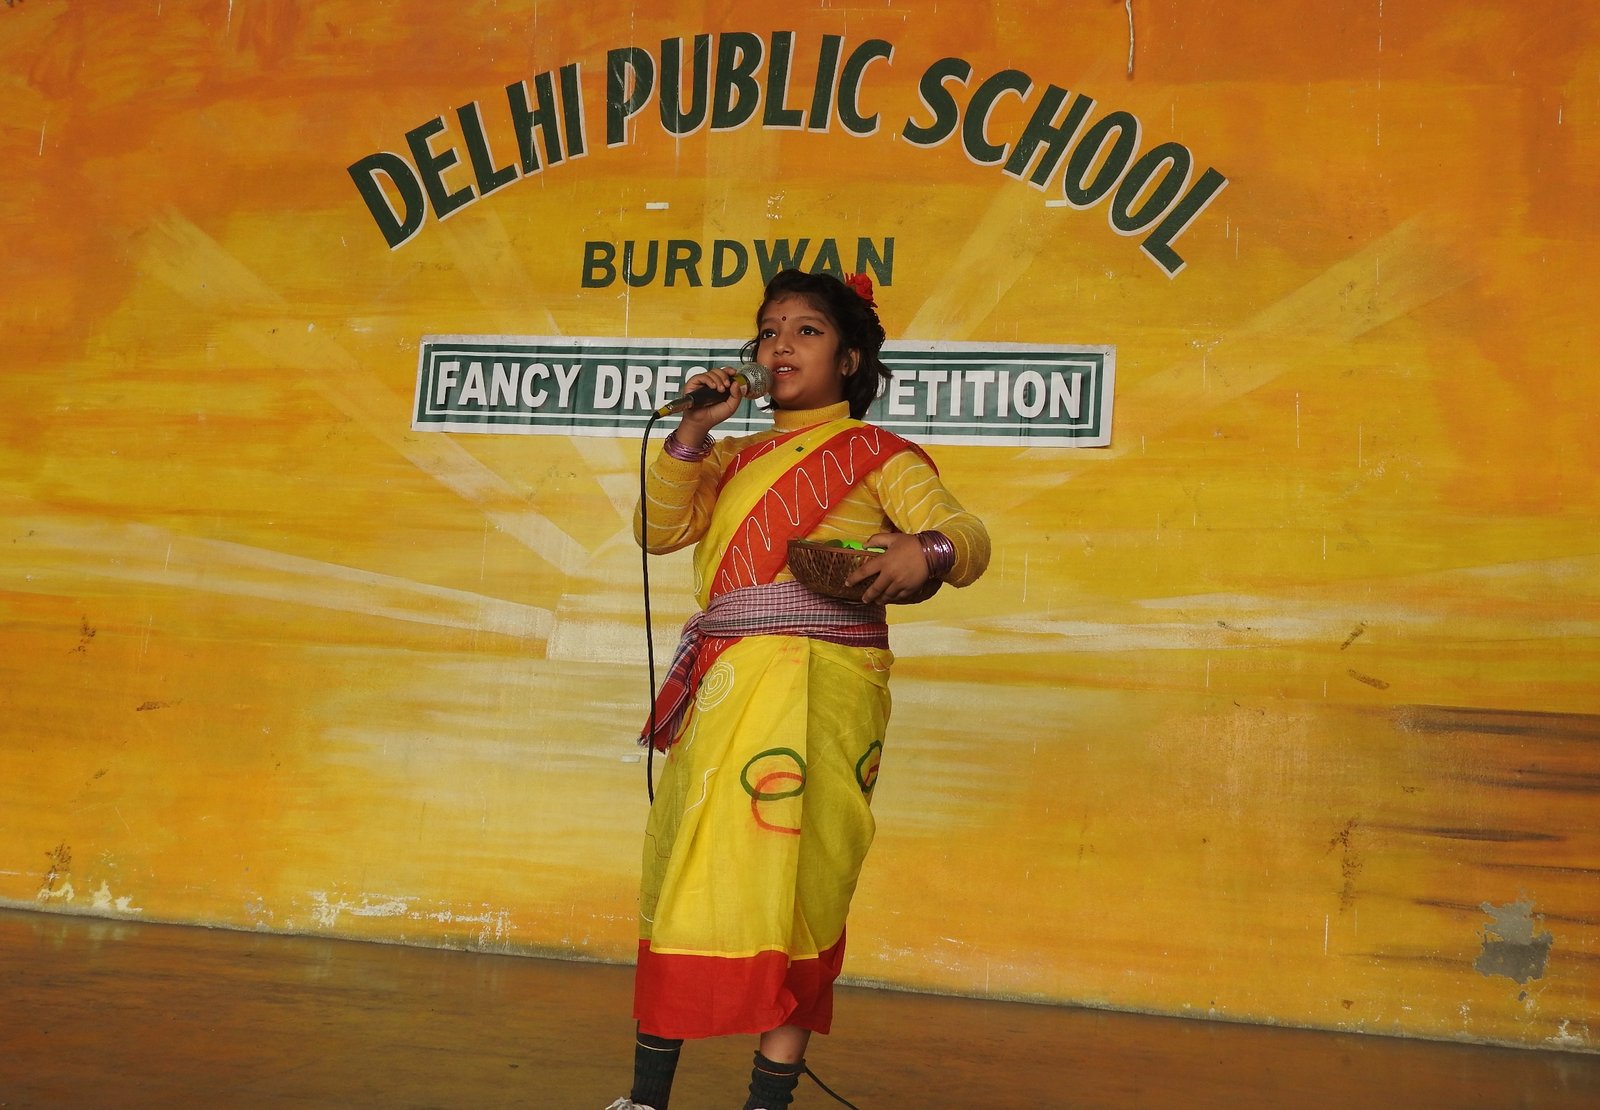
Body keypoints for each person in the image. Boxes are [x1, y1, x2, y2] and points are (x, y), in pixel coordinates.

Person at [609, 269, 990, 1110]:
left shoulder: (878, 454)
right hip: (727, 687)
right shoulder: (731, 456)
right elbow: (656, 530)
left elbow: (965, 535)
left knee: (806, 883)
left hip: (824, 689)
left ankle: (767, 1101)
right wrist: (693, 431)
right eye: (769, 330)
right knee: (691, 870)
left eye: (806, 330)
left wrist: (923, 551)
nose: (779, 345)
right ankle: (645, 1099)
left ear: (850, 359)